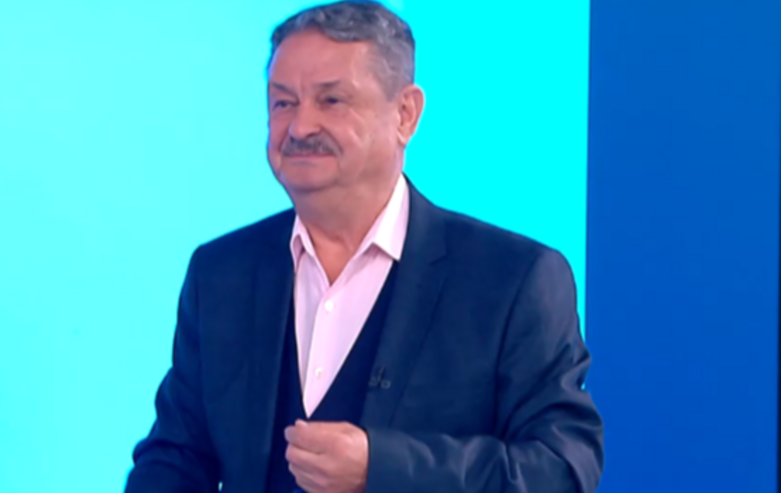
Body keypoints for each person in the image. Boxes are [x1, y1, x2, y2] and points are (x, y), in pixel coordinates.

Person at [124, 1, 603, 492]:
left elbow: (561, 470)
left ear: (405, 115)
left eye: (331, 101)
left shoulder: (512, 280)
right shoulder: (221, 273)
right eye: (283, 103)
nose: (300, 128)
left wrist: (382, 468)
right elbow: (177, 455)